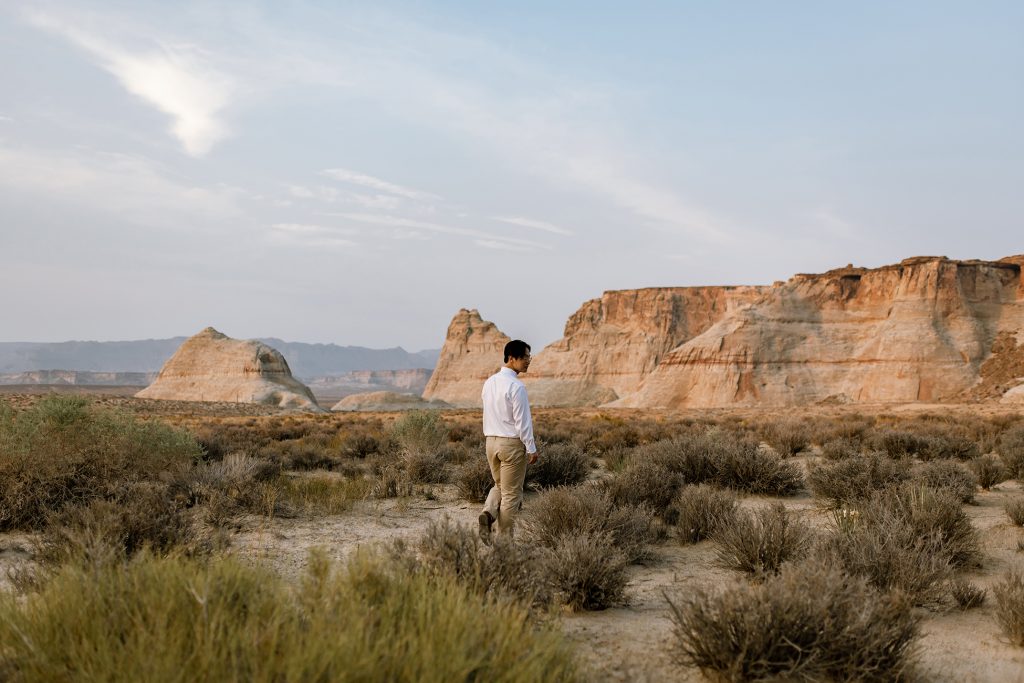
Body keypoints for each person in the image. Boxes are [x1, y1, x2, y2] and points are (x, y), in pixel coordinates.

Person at [478, 339, 538, 542]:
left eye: (529, 357)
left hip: (490, 443)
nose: (528, 361)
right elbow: (523, 422)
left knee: (500, 486)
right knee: (512, 495)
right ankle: (504, 544)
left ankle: (488, 514)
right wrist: (531, 447)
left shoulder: (489, 382)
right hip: (510, 444)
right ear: (511, 358)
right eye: (525, 357)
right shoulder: (517, 387)